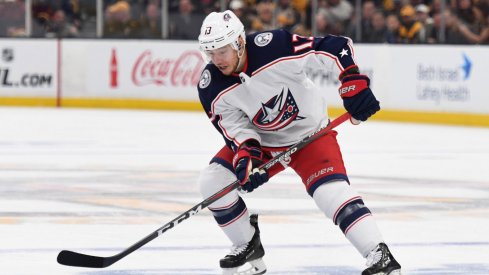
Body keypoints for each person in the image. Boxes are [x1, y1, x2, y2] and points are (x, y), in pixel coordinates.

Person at [196, 10, 402, 275]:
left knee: (330, 192)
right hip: (266, 143)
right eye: (210, 52)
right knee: (212, 181)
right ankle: (247, 244)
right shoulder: (210, 86)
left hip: (310, 135)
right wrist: (247, 157)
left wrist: (351, 80)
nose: (216, 59)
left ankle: (379, 254)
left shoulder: (274, 46)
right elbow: (235, 129)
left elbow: (334, 47)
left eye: (221, 51)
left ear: (238, 42)